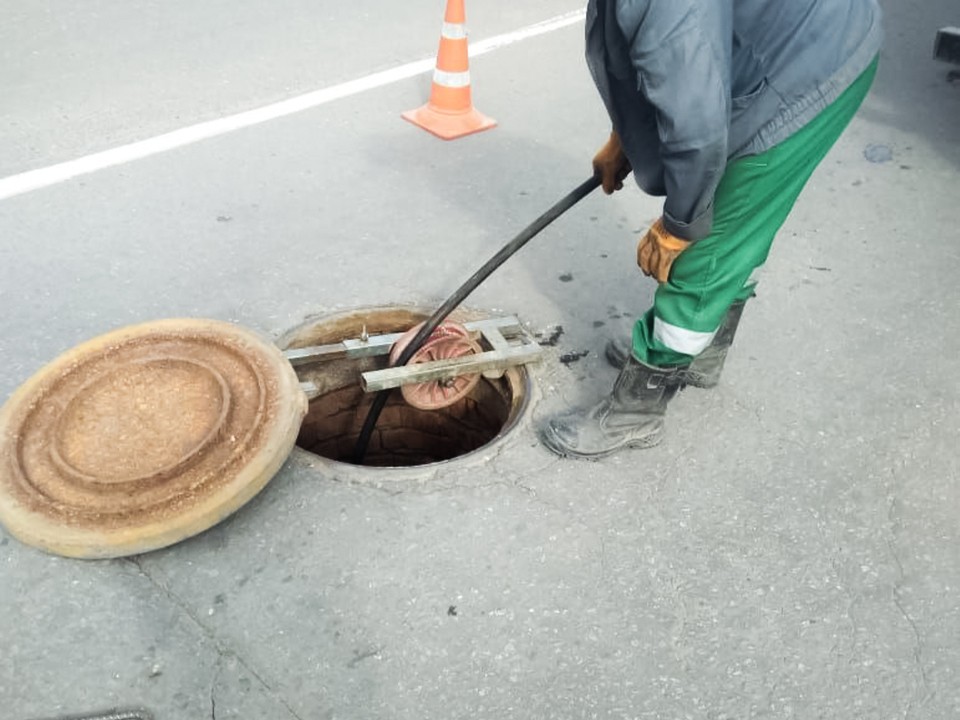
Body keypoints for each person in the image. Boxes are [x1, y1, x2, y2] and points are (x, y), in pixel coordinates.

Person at [541, 0, 883, 458]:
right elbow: (666, 65)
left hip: (809, 70)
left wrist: (678, 226)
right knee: (731, 227)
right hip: (790, 43)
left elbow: (695, 129)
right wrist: (623, 138)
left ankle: (635, 413)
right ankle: (702, 357)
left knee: (709, 248)